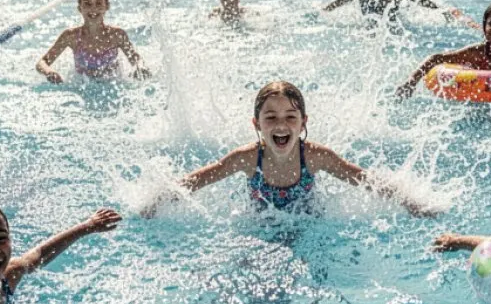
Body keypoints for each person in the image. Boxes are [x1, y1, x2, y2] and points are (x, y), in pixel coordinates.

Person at [145, 80, 433, 215]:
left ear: (303, 122)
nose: (280, 125)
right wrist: (154, 201)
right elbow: (197, 180)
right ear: (257, 124)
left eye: (290, 117)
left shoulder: (316, 157)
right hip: (261, 227)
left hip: (308, 224)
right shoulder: (247, 159)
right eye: (270, 118)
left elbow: (364, 180)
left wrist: (411, 202)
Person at [36, 0, 150, 82]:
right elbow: (42, 62)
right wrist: (49, 72)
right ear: (80, 8)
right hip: (83, 86)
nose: (93, 9)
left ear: (107, 7)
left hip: (112, 85)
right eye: (87, 4)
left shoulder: (117, 35)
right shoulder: (71, 36)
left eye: (99, 3)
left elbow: (136, 59)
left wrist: (139, 68)